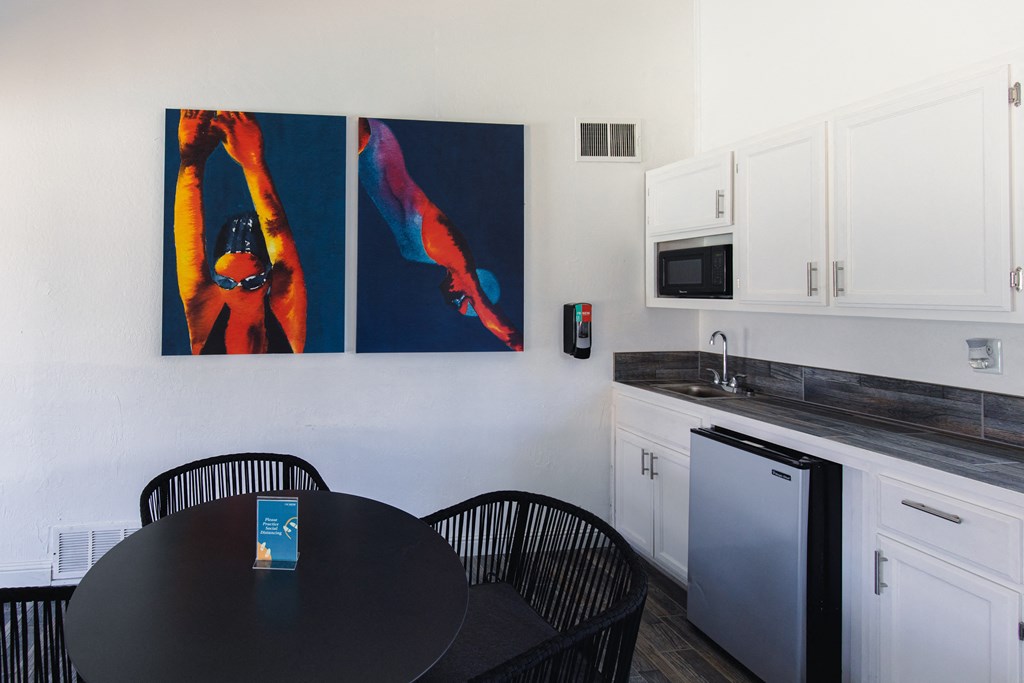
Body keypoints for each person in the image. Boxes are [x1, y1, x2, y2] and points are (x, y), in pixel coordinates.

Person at [358, 117, 524, 352]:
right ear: (473, 286)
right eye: (461, 300)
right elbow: (489, 315)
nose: (451, 300)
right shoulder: (455, 255)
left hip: (364, 154)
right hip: (372, 142)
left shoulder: (435, 256)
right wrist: (517, 343)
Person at [173, 110, 307, 354]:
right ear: (216, 279)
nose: (238, 292)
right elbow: (187, 240)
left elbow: (279, 237)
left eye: (252, 282)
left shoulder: (285, 317)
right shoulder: (206, 309)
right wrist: (191, 161)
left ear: (268, 279)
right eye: (226, 282)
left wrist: (254, 165)